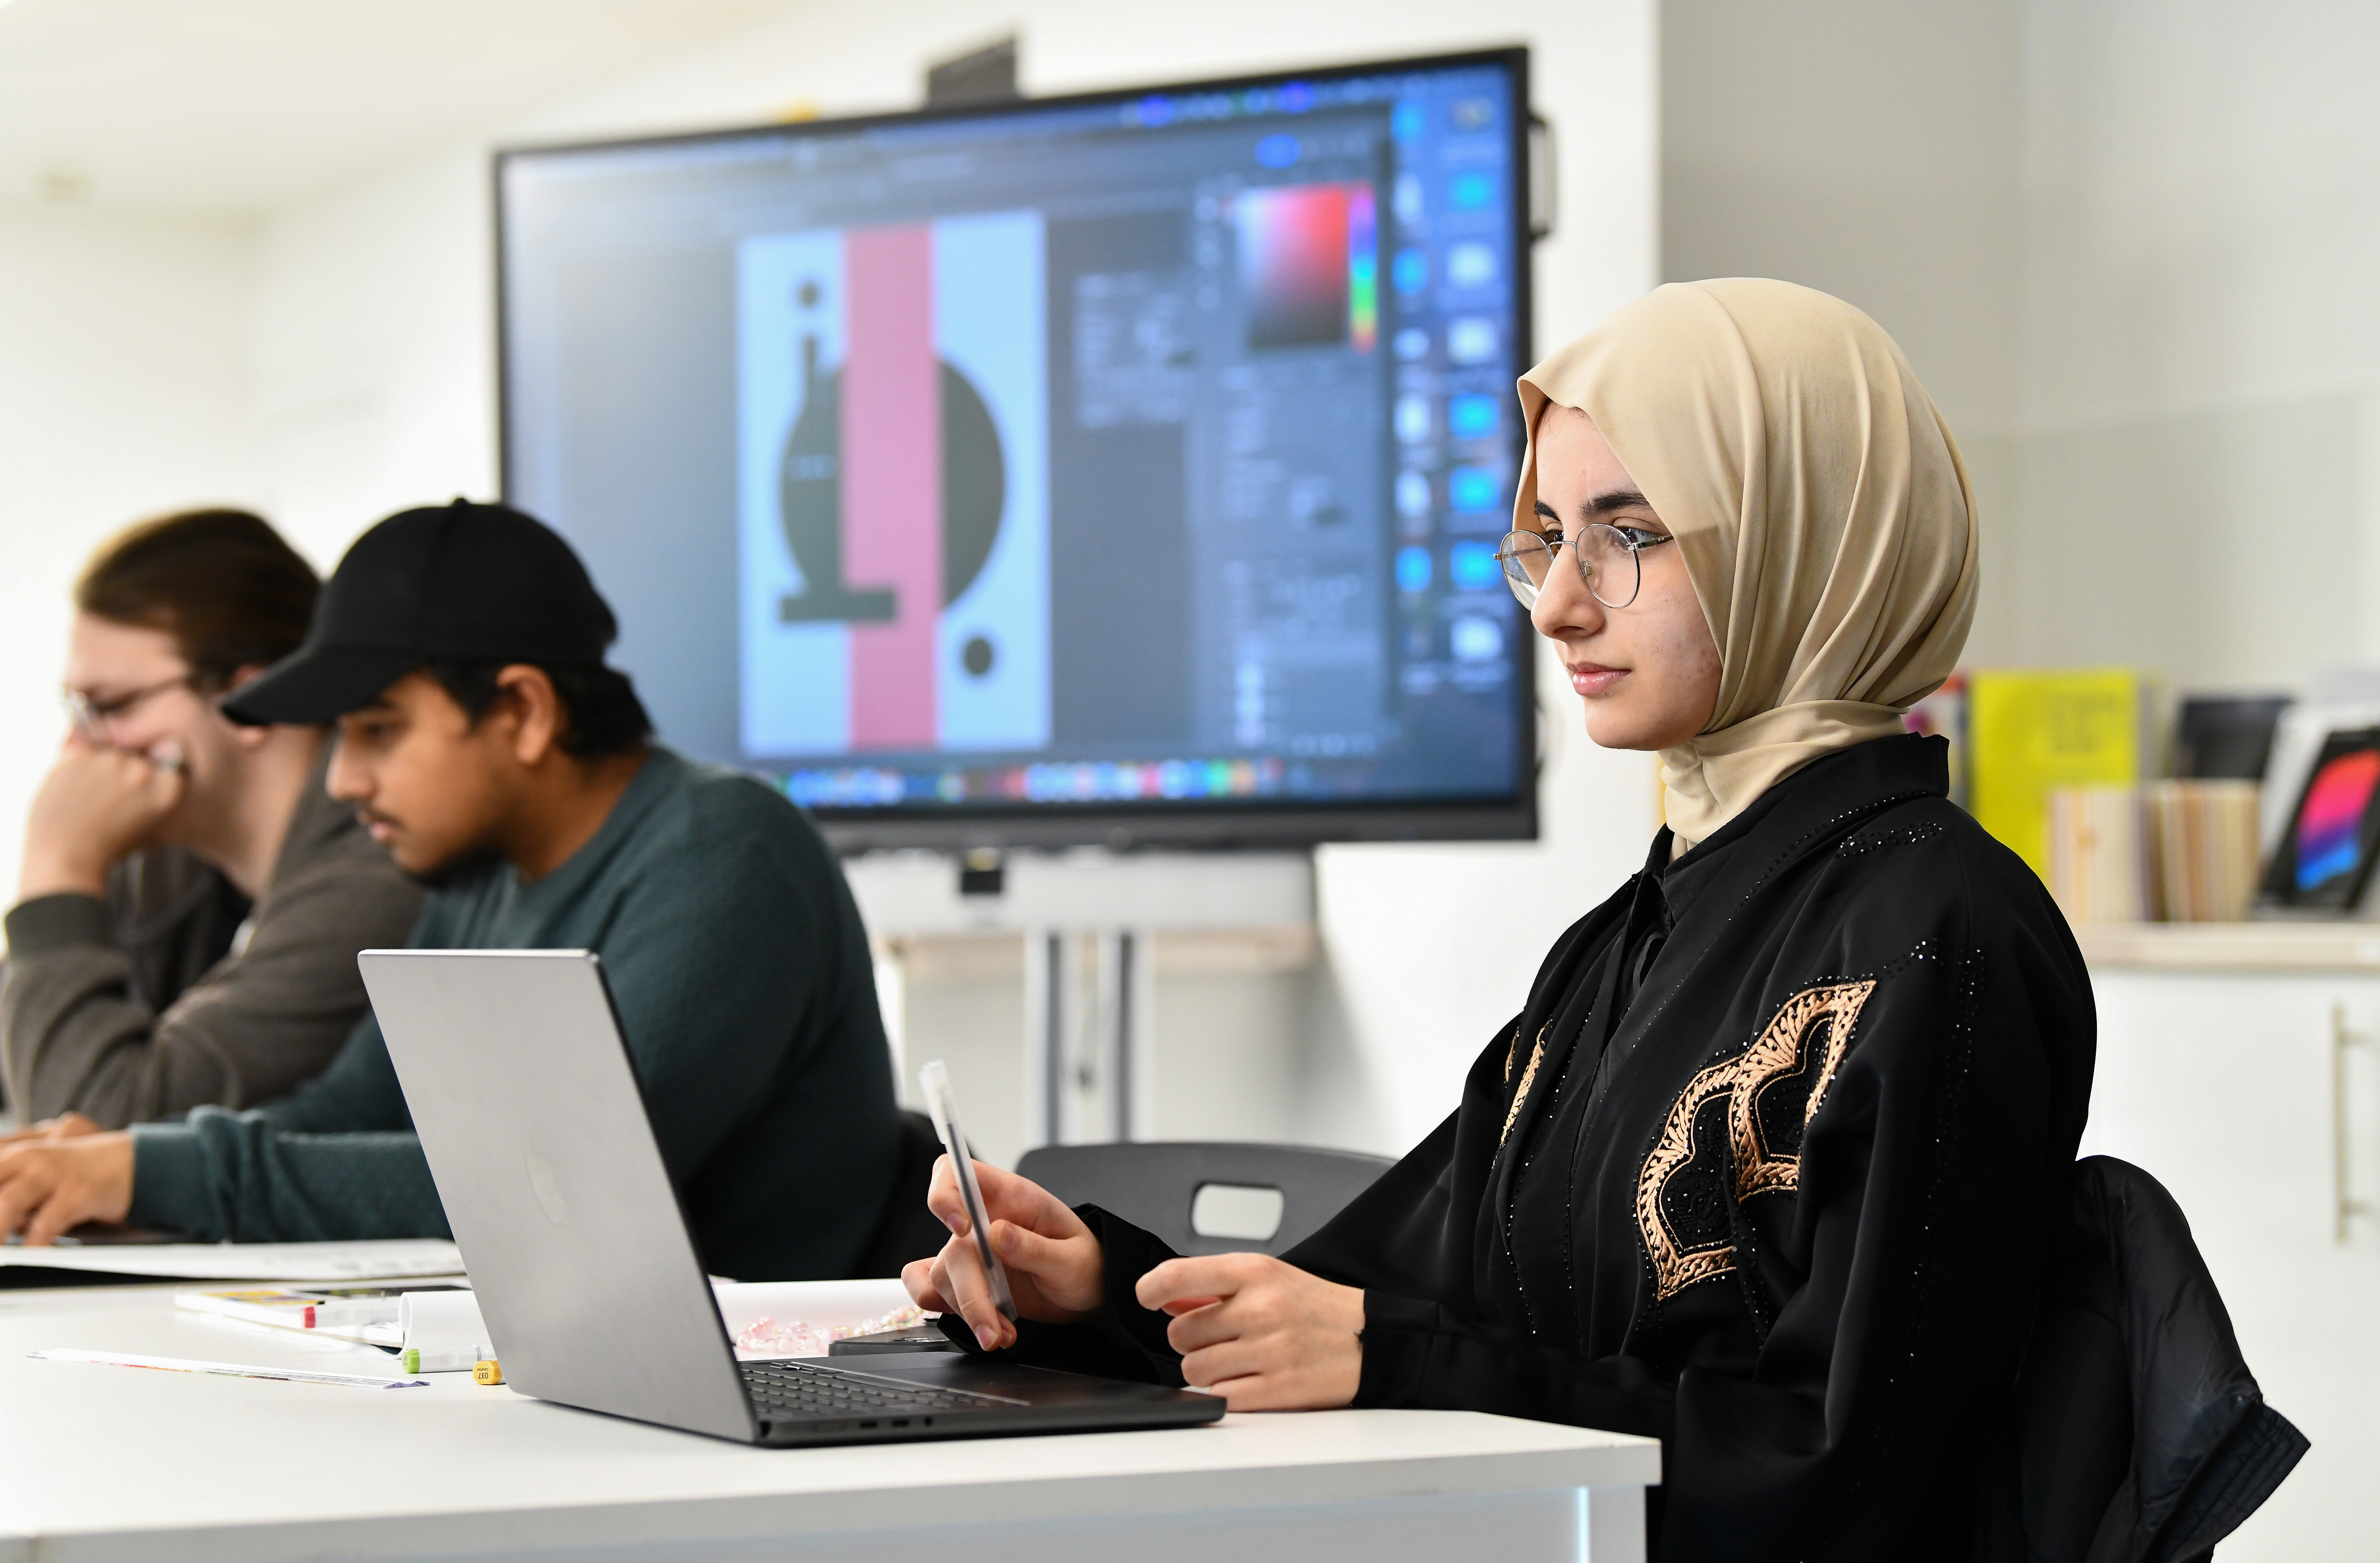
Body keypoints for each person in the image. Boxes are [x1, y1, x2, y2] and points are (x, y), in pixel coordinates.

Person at [906, 281, 2095, 1558]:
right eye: (1549, 541)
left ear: (1806, 538)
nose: (1560, 606)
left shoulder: (1939, 931)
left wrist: (1395, 1359)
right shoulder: (1632, 936)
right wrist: (1100, 1293)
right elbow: (1380, 1293)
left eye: (1629, 535)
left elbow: (1840, 1475)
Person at [0, 500, 902, 1281]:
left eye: (378, 731)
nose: (343, 780)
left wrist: (156, 1174)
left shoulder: (727, 855)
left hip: (767, 1388)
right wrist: (130, 1161)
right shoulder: (482, 873)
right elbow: (349, 1110)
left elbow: (554, 1181)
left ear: (523, 711)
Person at [1, 510, 424, 1128]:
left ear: (247, 703)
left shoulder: (376, 881)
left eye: (110, 707)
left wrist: (58, 872)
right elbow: (23, 1074)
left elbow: (95, 1129)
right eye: (77, 710)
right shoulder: (166, 859)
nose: (77, 748)